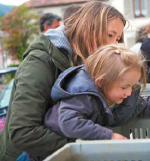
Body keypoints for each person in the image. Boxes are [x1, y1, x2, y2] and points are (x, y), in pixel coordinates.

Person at [0, 1, 126, 161]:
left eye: (118, 38)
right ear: (88, 29)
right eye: (110, 35)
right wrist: (83, 146)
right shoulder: (40, 61)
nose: (115, 45)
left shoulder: (83, 59)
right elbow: (23, 132)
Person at [44, 44, 150, 142]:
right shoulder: (83, 97)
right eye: (125, 87)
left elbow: (140, 106)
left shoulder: (116, 94)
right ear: (102, 82)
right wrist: (108, 136)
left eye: (132, 86)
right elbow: (69, 122)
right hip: (51, 152)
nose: (129, 92)